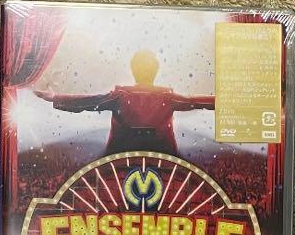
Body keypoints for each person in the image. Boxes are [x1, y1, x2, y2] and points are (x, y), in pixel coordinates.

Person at [35, 49, 214, 156]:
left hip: (119, 160)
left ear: (133, 70)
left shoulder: (119, 96)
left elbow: (88, 102)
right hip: (163, 161)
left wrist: (55, 98)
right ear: (156, 70)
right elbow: (196, 102)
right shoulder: (167, 98)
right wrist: (222, 101)